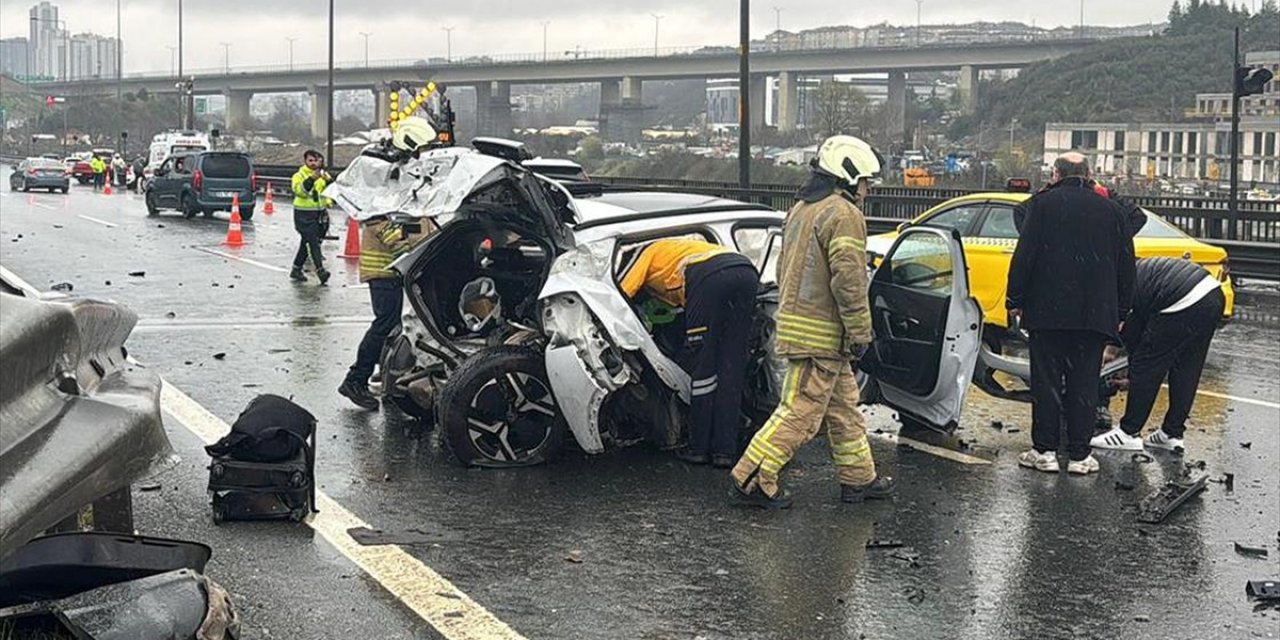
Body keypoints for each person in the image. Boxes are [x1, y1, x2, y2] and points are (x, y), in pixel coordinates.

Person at [729, 135, 892, 509]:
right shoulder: (844, 214)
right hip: (824, 335)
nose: (867, 191)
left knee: (844, 407)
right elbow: (849, 281)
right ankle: (751, 478)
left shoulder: (802, 209)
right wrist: (861, 333)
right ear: (848, 176)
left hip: (804, 327)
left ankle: (859, 479)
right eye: (866, 182)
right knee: (801, 412)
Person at [1006, 152, 1136, 476]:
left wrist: (1015, 299)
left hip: (1047, 311)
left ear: (1055, 174)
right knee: (1084, 384)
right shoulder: (1112, 211)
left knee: (1046, 381)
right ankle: (1080, 455)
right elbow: (1126, 266)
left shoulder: (1042, 205)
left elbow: (1025, 256)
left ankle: (1045, 451)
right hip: (1093, 314)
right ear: (1090, 175)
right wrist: (1122, 310)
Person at [618, 238, 758, 468]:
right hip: (746, 272)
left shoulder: (645, 252)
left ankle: (699, 448)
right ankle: (725, 451)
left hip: (708, 279)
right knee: (731, 367)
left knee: (703, 367)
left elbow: (622, 293)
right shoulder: (682, 247)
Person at [1090, 258, 1225, 452]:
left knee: (1147, 364)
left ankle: (1129, 432)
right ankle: (1172, 433)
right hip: (1213, 295)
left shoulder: (1116, 293)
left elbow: (1139, 350)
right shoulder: (1130, 274)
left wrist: (1126, 369)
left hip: (1181, 299)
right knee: (1187, 367)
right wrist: (1132, 376)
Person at [338, 215, 433, 410]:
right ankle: (355, 380)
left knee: (393, 327)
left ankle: (387, 378)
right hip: (383, 275)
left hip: (388, 276)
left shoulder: (386, 217)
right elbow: (399, 244)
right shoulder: (379, 219)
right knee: (385, 325)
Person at [290, 150, 332, 284]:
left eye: (316, 160)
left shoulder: (323, 175)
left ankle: (296, 269)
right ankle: (320, 271)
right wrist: (312, 178)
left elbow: (330, 191)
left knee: (308, 242)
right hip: (303, 214)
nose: (314, 163)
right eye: (311, 161)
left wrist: (329, 181)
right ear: (305, 161)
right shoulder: (299, 175)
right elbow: (300, 192)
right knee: (312, 242)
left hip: (319, 213)